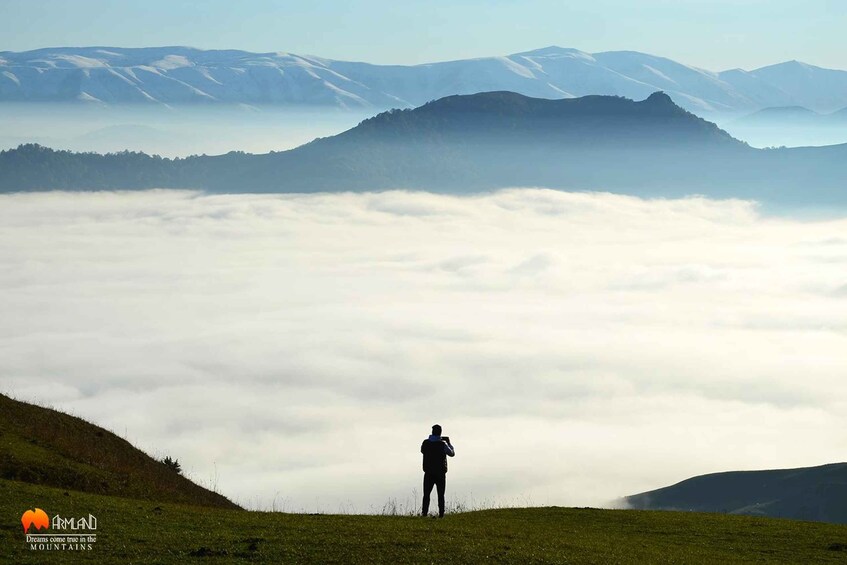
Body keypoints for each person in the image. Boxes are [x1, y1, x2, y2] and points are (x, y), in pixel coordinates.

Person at [420, 424, 455, 518]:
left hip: (428, 472)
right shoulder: (443, 444)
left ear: (432, 432)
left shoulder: (425, 443)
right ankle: (441, 514)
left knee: (426, 494)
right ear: (440, 432)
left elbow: (422, 451)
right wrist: (449, 443)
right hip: (440, 473)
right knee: (441, 494)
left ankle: (424, 513)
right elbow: (452, 454)